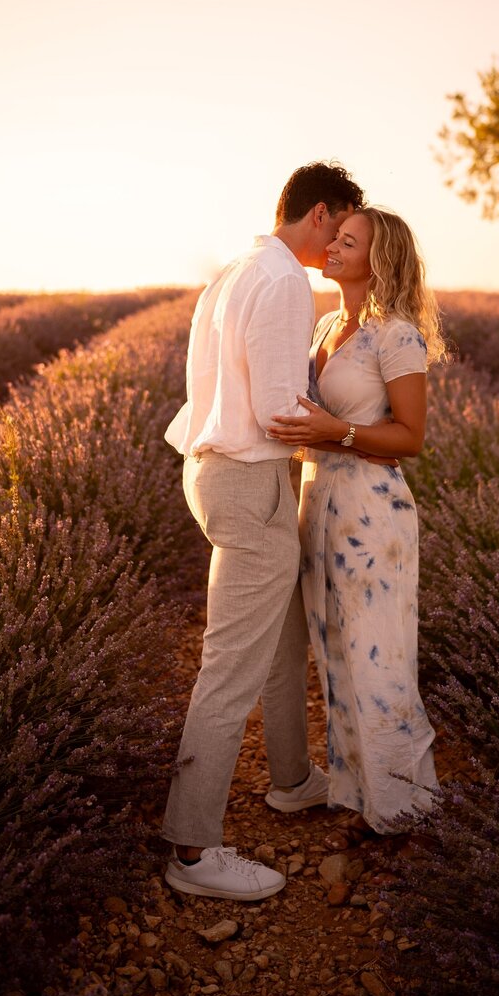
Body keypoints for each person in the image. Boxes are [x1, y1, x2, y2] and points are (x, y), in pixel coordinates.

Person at [162, 161, 365, 900]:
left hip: (216, 467)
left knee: (282, 637)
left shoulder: (235, 269)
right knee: (229, 668)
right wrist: (357, 428)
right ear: (319, 215)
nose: (340, 243)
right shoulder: (284, 282)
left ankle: (291, 781)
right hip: (250, 478)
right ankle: (192, 850)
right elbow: (284, 409)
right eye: (339, 228)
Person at [267, 207, 446, 834]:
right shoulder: (325, 327)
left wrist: (332, 430)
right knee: (336, 656)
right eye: (335, 237)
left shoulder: (395, 334)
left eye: (349, 242)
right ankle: (364, 795)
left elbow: (411, 437)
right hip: (319, 505)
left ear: (380, 260)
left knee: (380, 660)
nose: (334, 248)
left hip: (371, 514)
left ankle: (407, 808)